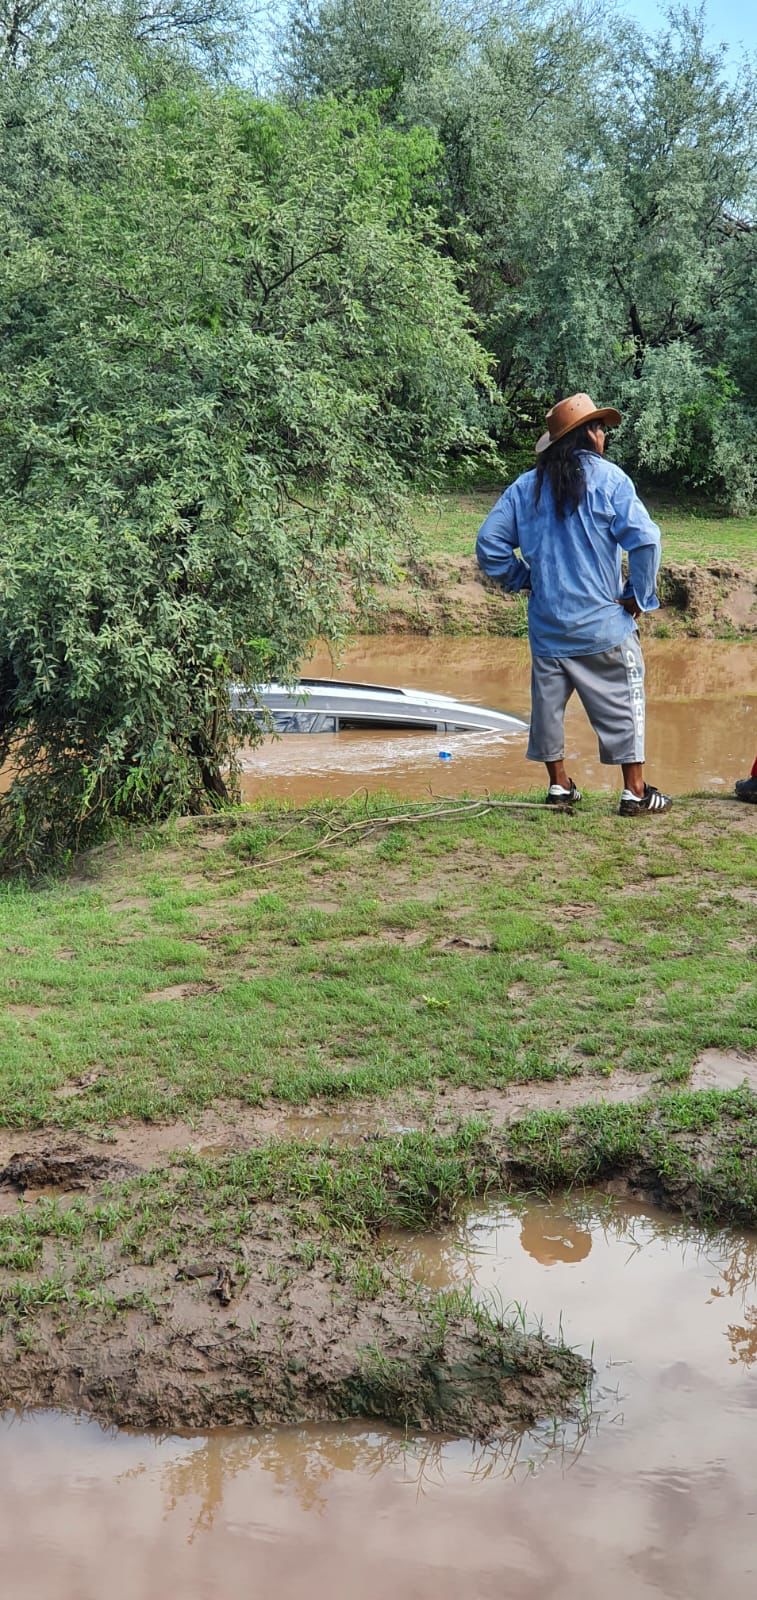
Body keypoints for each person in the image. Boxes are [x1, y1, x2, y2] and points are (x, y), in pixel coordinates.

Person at [476, 392, 672, 814]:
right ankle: (635, 791)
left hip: (548, 627)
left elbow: (489, 545)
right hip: (603, 626)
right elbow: (647, 539)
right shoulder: (612, 481)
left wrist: (525, 579)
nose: (604, 435)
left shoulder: (525, 487)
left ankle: (560, 787)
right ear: (589, 434)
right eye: (600, 428)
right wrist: (638, 595)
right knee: (626, 698)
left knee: (547, 708)